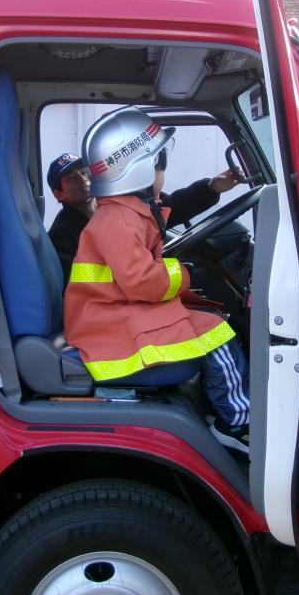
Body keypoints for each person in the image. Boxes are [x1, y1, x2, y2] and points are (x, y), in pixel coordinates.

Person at [63, 107, 250, 452]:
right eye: (160, 166)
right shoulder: (119, 221)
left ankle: (218, 406)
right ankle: (236, 421)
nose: (163, 175)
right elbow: (141, 281)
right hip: (109, 324)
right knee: (218, 333)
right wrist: (186, 273)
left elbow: (170, 208)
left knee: (209, 319)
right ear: (141, 170)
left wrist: (212, 187)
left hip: (114, 313)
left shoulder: (128, 212)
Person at [47, 148, 239, 286]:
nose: (82, 180)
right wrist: (161, 271)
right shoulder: (61, 234)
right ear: (58, 194)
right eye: (72, 178)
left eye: (84, 172)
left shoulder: (113, 203)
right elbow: (83, 279)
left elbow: (171, 206)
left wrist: (211, 188)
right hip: (115, 302)